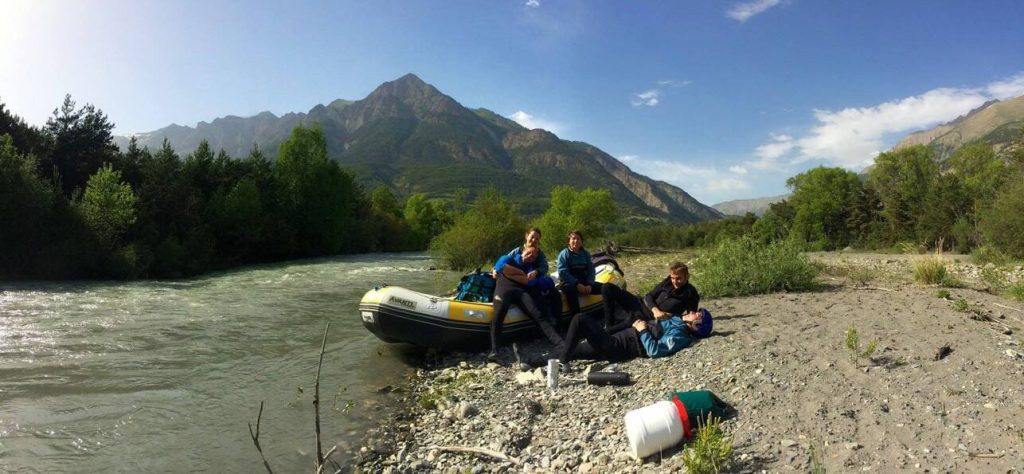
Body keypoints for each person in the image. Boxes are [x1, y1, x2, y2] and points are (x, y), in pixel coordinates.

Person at [532, 308, 713, 366]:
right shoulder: (678, 323)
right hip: (620, 339)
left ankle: (562, 363)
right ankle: (531, 361)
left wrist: (642, 329)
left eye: (695, 315)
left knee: (580, 319)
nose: (690, 312)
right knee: (573, 350)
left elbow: (655, 351)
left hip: (620, 345)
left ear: (697, 326)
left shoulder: (681, 336)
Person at [488, 244, 563, 361]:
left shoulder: (530, 268)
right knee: (499, 314)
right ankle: (494, 351)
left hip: (520, 293)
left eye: (533, 256)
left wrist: (515, 274)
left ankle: (560, 343)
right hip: (504, 291)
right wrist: (520, 273)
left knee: (537, 314)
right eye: (528, 253)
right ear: (523, 251)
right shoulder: (508, 258)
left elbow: (529, 282)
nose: (530, 257)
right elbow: (501, 267)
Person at [555, 230, 629, 327]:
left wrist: (589, 284)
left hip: (585, 282)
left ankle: (610, 321)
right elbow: (563, 272)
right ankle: (579, 323)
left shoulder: (585, 254)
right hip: (570, 283)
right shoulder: (564, 254)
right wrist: (577, 284)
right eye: (573, 238)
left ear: (581, 241)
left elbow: (591, 270)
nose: (576, 241)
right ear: (568, 241)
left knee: (606, 288)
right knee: (570, 291)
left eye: (578, 239)